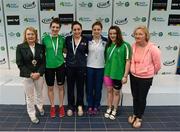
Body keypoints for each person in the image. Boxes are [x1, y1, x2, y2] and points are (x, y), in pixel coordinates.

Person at [128, 25, 161, 128]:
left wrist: (149, 73)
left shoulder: (153, 49)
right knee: (135, 97)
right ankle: (134, 114)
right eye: (136, 34)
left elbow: (158, 65)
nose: (137, 36)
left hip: (145, 78)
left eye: (140, 34)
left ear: (146, 35)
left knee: (142, 98)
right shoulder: (133, 45)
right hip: (133, 76)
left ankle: (139, 117)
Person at [16, 27, 45, 124]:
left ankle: (40, 107)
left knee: (39, 93)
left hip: (39, 75)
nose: (30, 36)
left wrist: (39, 73)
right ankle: (32, 114)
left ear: (35, 35)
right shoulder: (20, 47)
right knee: (29, 96)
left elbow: (43, 62)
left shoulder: (40, 47)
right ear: (25, 35)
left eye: (32, 34)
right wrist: (30, 74)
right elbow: (20, 64)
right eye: (28, 34)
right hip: (27, 76)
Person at [104, 26, 131, 120]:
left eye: (114, 33)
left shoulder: (125, 45)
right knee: (109, 91)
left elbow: (128, 61)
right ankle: (109, 107)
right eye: (110, 33)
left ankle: (115, 109)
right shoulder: (108, 45)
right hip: (107, 73)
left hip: (118, 74)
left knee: (116, 93)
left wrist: (125, 76)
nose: (112, 35)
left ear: (118, 34)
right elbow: (106, 59)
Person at [42, 18, 65, 118]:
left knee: (61, 87)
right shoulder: (45, 39)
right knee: (50, 87)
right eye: (53, 27)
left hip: (60, 65)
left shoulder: (62, 39)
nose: (55, 29)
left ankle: (61, 106)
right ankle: (52, 107)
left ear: (59, 28)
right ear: (50, 27)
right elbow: (42, 53)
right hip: (48, 66)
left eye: (57, 27)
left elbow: (65, 50)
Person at [65, 21, 88, 116]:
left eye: (78, 29)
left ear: (81, 30)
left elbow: (87, 52)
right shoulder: (67, 39)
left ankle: (79, 105)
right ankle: (70, 106)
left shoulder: (86, 40)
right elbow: (64, 51)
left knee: (80, 87)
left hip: (81, 68)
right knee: (70, 87)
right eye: (74, 29)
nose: (76, 31)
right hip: (70, 68)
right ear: (72, 30)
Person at [86, 21, 107, 115]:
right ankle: (90, 105)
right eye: (94, 29)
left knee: (98, 88)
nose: (96, 31)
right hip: (89, 67)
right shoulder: (87, 40)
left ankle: (96, 105)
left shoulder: (106, 41)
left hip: (101, 68)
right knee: (89, 88)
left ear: (101, 30)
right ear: (92, 30)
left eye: (98, 29)